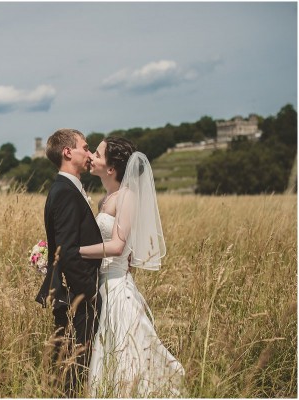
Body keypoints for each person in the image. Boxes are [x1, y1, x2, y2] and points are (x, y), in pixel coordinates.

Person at [80, 137, 185, 397]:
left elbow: (117, 246)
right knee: (110, 354)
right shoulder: (106, 199)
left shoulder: (126, 196)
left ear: (111, 168)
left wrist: (73, 252)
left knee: (126, 355)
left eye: (98, 153)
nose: (92, 156)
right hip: (104, 285)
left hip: (117, 289)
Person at [35, 128, 104, 397]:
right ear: (67, 152)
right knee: (76, 369)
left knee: (79, 365)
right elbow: (66, 251)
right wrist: (89, 292)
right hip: (79, 296)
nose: (89, 153)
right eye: (85, 148)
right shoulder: (64, 191)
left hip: (79, 291)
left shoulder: (67, 188)